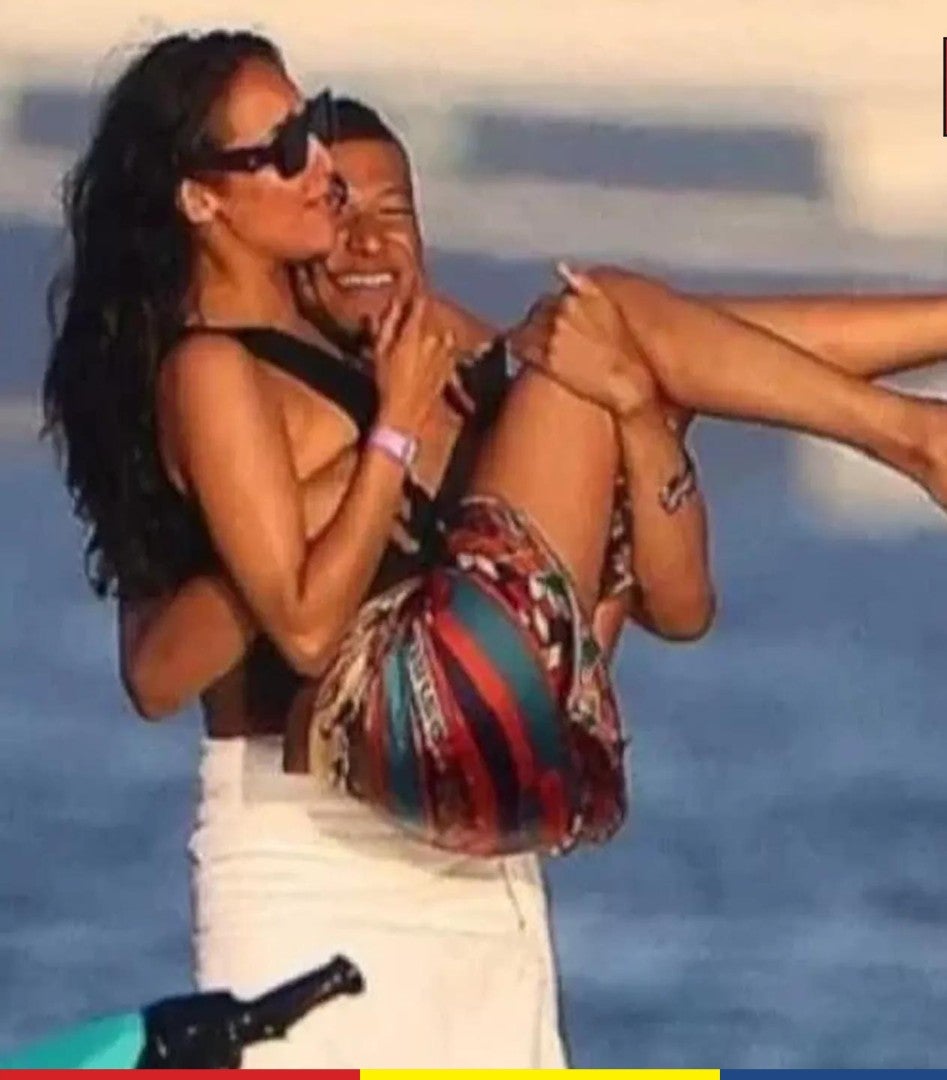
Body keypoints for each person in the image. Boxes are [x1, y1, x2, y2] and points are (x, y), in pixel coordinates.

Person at [41, 43, 947, 1064]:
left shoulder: (378, 339)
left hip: (472, 850)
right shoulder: (217, 367)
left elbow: (687, 345)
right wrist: (392, 437)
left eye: (315, 132)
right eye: (286, 148)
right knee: (597, 322)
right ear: (202, 200)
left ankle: (913, 413)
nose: (320, 170)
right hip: (323, 839)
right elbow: (261, 632)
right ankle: (908, 438)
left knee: (605, 326)